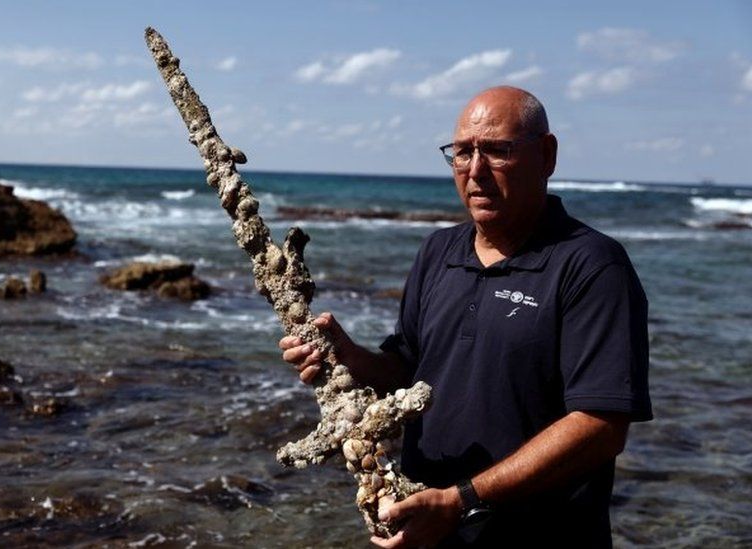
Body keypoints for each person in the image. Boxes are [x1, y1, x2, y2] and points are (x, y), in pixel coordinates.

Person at [279, 86, 652, 548]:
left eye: (498, 151)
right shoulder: (437, 252)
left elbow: (601, 426)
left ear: (547, 155)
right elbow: (408, 372)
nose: (476, 171)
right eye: (462, 153)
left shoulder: (592, 265)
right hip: (424, 530)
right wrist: (347, 355)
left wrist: (462, 501)